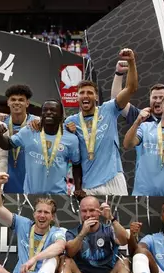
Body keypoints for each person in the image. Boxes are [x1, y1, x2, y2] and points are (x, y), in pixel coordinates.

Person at [59, 49, 137, 195]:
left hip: (113, 177)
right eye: (82, 93)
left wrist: (131, 62)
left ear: (96, 97)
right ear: (77, 97)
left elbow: (131, 88)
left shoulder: (108, 109)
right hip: (88, 183)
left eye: (89, 93)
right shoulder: (71, 122)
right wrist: (70, 135)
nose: (85, 96)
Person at [0, 172, 66, 273]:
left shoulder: (57, 231)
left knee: (54, 257)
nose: (42, 215)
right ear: (34, 214)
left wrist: (34, 259)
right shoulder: (23, 224)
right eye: (39, 211)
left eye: (46, 212)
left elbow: (60, 246)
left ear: (52, 217)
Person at [0, 100, 82, 195]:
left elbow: (77, 165)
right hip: (31, 194)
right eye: (45, 110)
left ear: (61, 115)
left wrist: (78, 188)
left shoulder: (71, 139)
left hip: (59, 195)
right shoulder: (29, 131)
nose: (48, 112)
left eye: (53, 110)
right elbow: (7, 145)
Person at [61, 196, 130, 273]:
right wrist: (82, 233)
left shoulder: (109, 229)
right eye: (84, 211)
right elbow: (70, 252)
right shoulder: (72, 232)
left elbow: (125, 240)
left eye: (92, 210)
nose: (88, 215)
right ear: (80, 213)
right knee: (65, 259)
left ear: (99, 212)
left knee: (124, 261)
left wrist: (111, 218)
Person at [0, 85, 38, 194]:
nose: (17, 102)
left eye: (21, 100)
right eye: (13, 99)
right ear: (8, 102)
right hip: (7, 180)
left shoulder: (36, 123)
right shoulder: (0, 123)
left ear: (27, 103)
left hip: (31, 181)